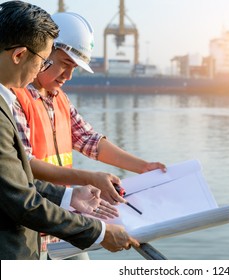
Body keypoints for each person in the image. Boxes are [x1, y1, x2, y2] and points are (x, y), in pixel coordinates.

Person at [11, 11, 165, 260]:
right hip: (32, 223)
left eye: (74, 68)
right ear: (44, 50)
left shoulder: (59, 100)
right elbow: (25, 165)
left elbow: (90, 140)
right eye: (65, 63)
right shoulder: (15, 99)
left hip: (64, 220)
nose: (68, 76)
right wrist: (89, 178)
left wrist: (143, 166)